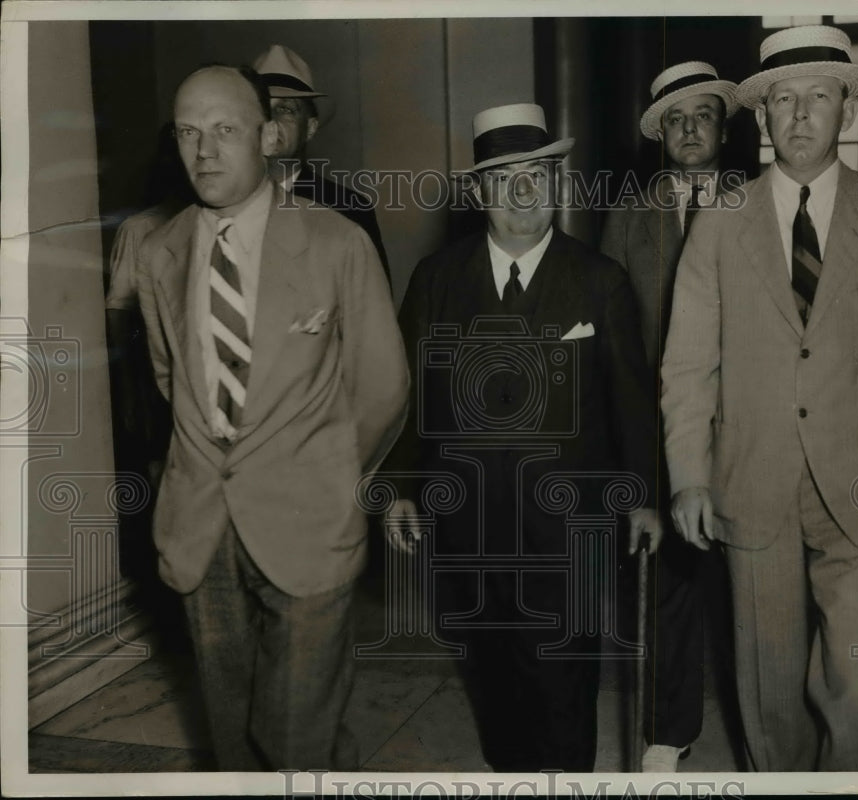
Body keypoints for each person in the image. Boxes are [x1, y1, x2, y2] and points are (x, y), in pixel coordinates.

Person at [660, 25, 858, 771]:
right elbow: (690, 359)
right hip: (752, 476)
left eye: (817, 98)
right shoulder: (719, 225)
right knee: (767, 684)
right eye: (783, 100)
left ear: (846, 112)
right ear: (761, 116)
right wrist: (688, 476)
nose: (799, 115)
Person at [135, 64, 408, 771]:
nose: (205, 152)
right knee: (232, 739)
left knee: (297, 737)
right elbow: (173, 380)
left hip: (308, 520)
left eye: (225, 131)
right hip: (201, 523)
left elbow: (383, 386)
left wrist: (330, 474)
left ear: (269, 135)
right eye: (189, 133)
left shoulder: (335, 243)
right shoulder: (159, 255)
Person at [383, 102, 662, 772]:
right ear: (479, 192)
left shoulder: (600, 282)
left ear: (558, 184)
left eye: (536, 174)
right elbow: (409, 395)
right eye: (504, 178)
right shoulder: (437, 280)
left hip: (569, 530)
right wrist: (399, 486)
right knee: (493, 684)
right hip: (467, 526)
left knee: (563, 689)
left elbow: (631, 403)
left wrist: (644, 496)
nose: (523, 192)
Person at [600, 61, 739, 773]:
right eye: (677, 120)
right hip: (660, 423)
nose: (691, 129)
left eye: (704, 116)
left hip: (748, 424)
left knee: (752, 581)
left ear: (725, 124)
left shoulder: (763, 205)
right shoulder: (631, 213)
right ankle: (669, 727)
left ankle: (761, 726)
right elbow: (613, 330)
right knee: (669, 581)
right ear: (662, 135)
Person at [252, 44, 391, 281]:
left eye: (285, 109)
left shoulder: (348, 208)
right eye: (262, 108)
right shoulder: (224, 204)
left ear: (311, 127)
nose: (271, 121)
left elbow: (373, 310)